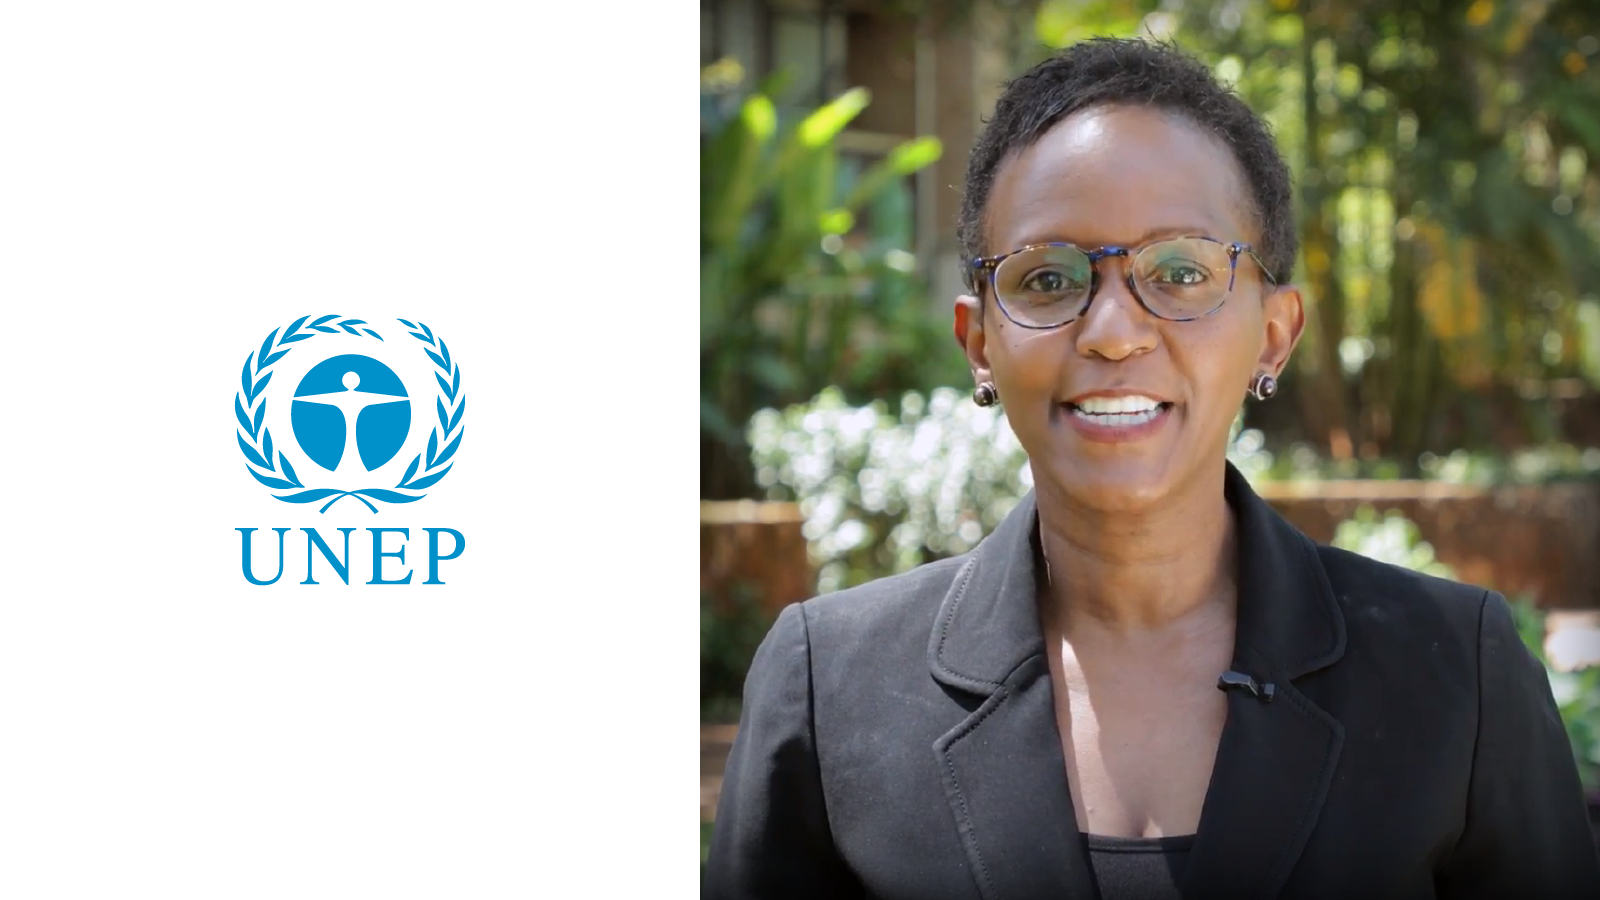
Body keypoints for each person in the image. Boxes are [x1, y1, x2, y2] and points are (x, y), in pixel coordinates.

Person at [702, 37, 1600, 900]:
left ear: (1274, 334)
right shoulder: (831, 685)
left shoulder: (1455, 676)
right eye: (1047, 278)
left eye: (1179, 271)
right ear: (979, 343)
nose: (1114, 332)